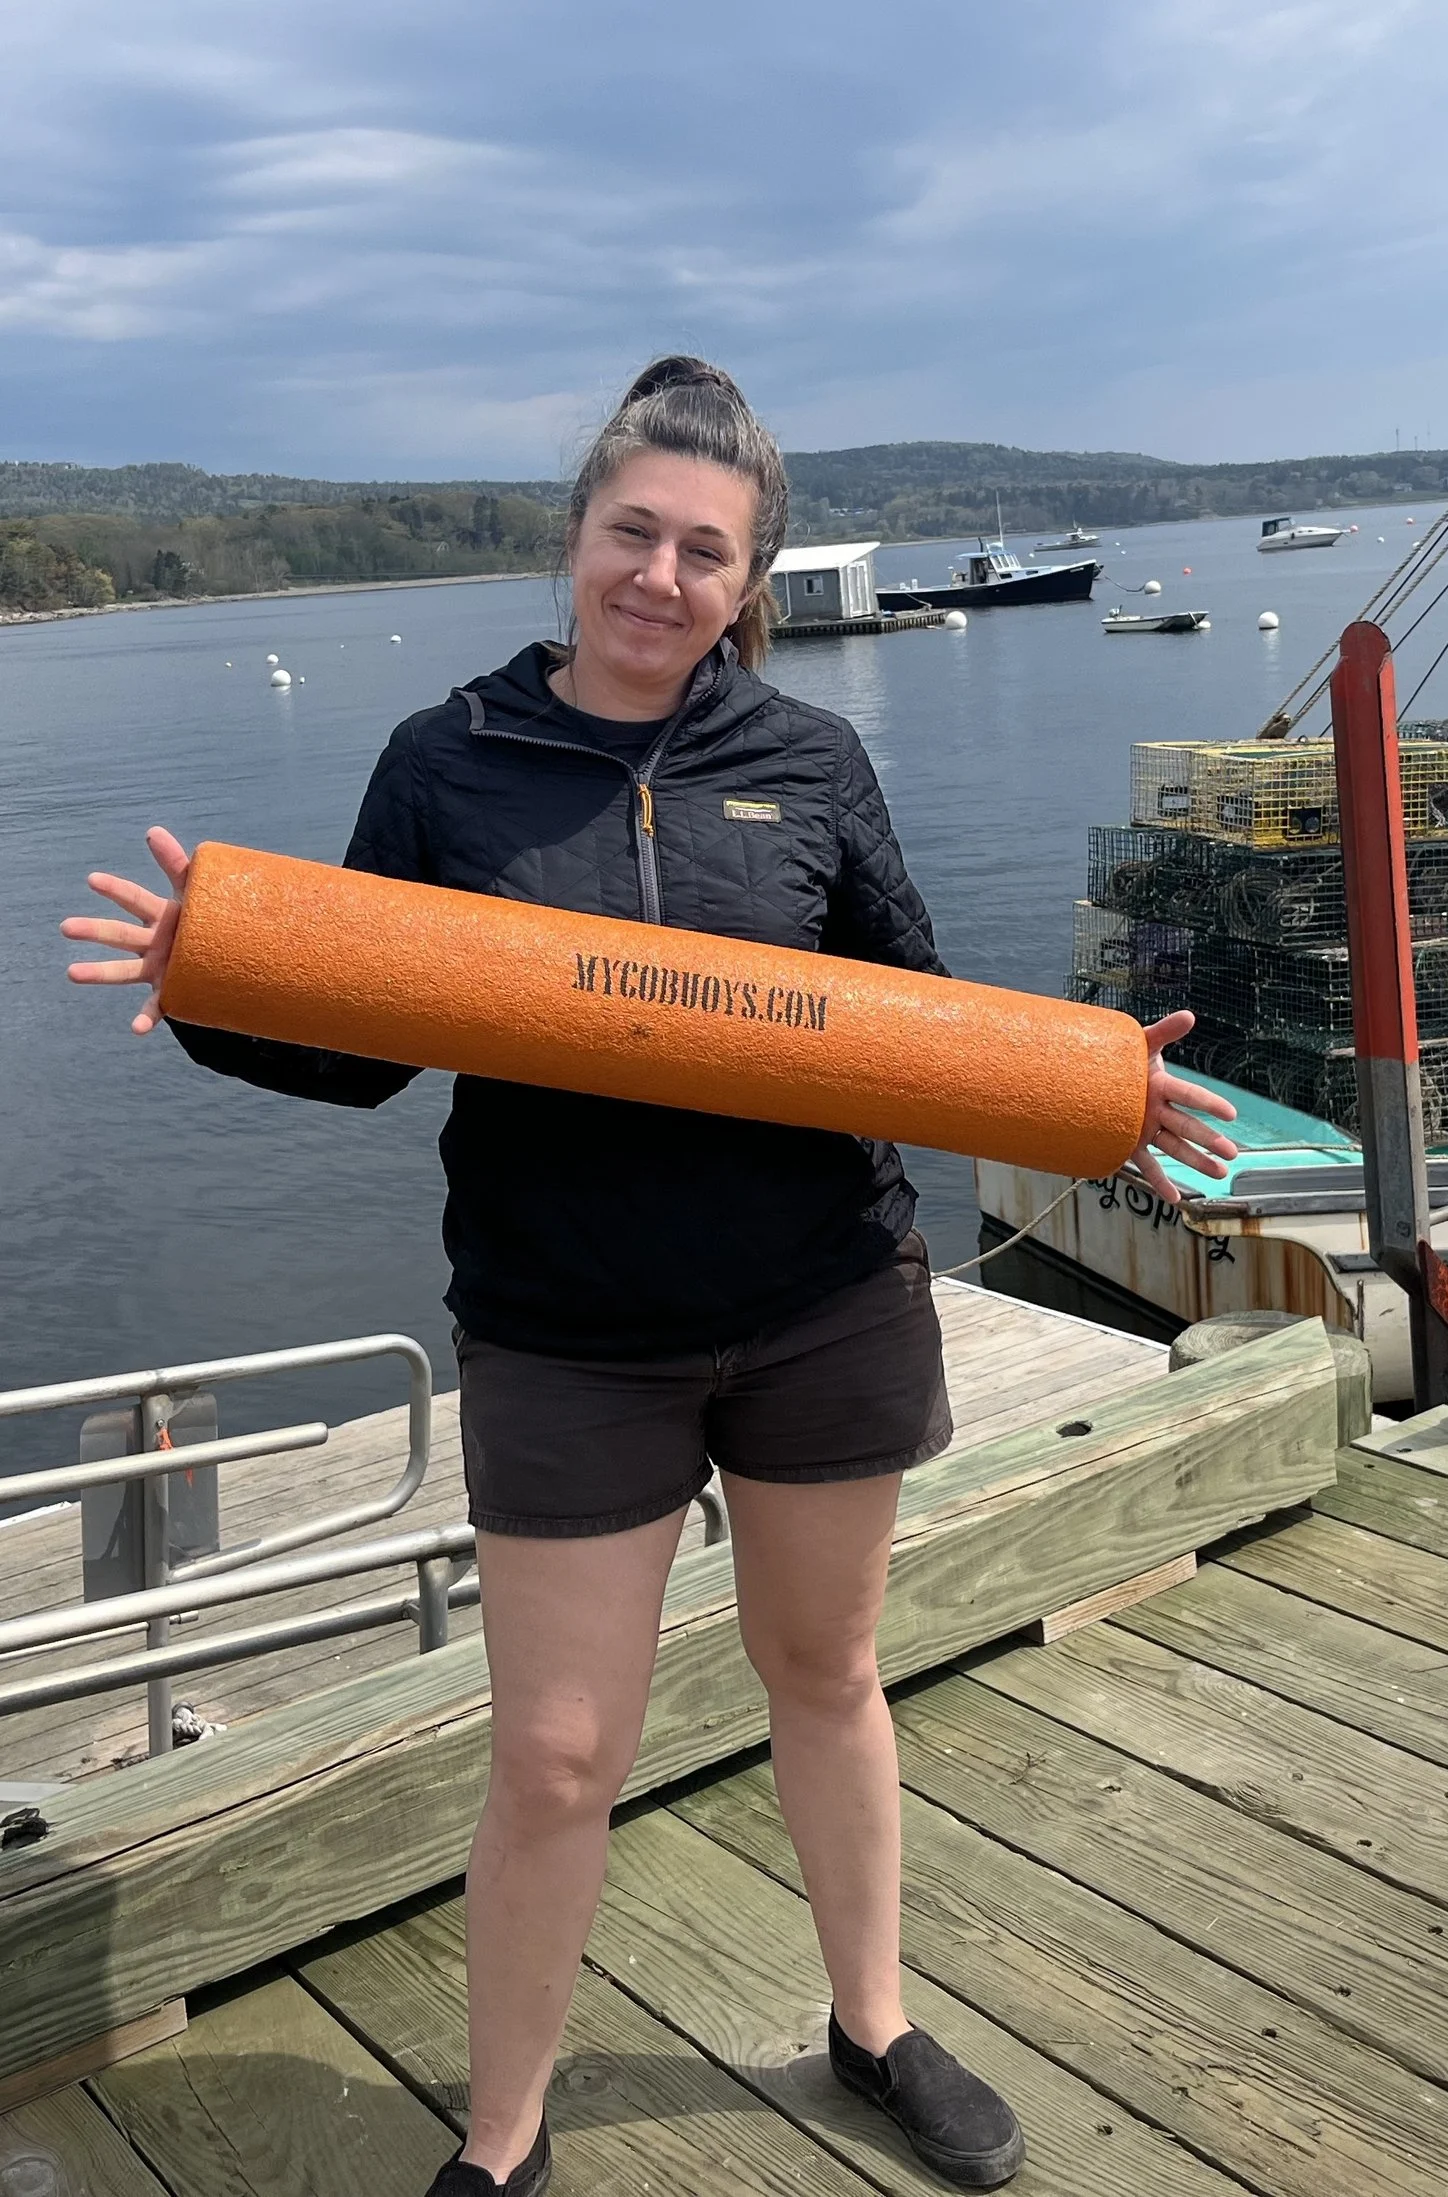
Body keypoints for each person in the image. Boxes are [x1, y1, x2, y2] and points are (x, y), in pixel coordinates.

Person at [61, 357, 1240, 2196]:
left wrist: (1096, 1081)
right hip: (567, 1326)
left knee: (826, 1668)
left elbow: (912, 1019)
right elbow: (364, 1045)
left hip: (823, 1295)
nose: (661, 576)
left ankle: (873, 2022)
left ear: (744, 577)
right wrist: (213, 980)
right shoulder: (448, 762)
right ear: (580, 535)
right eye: (635, 531)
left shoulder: (809, 761)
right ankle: (508, 2137)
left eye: (705, 551)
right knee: (551, 1753)